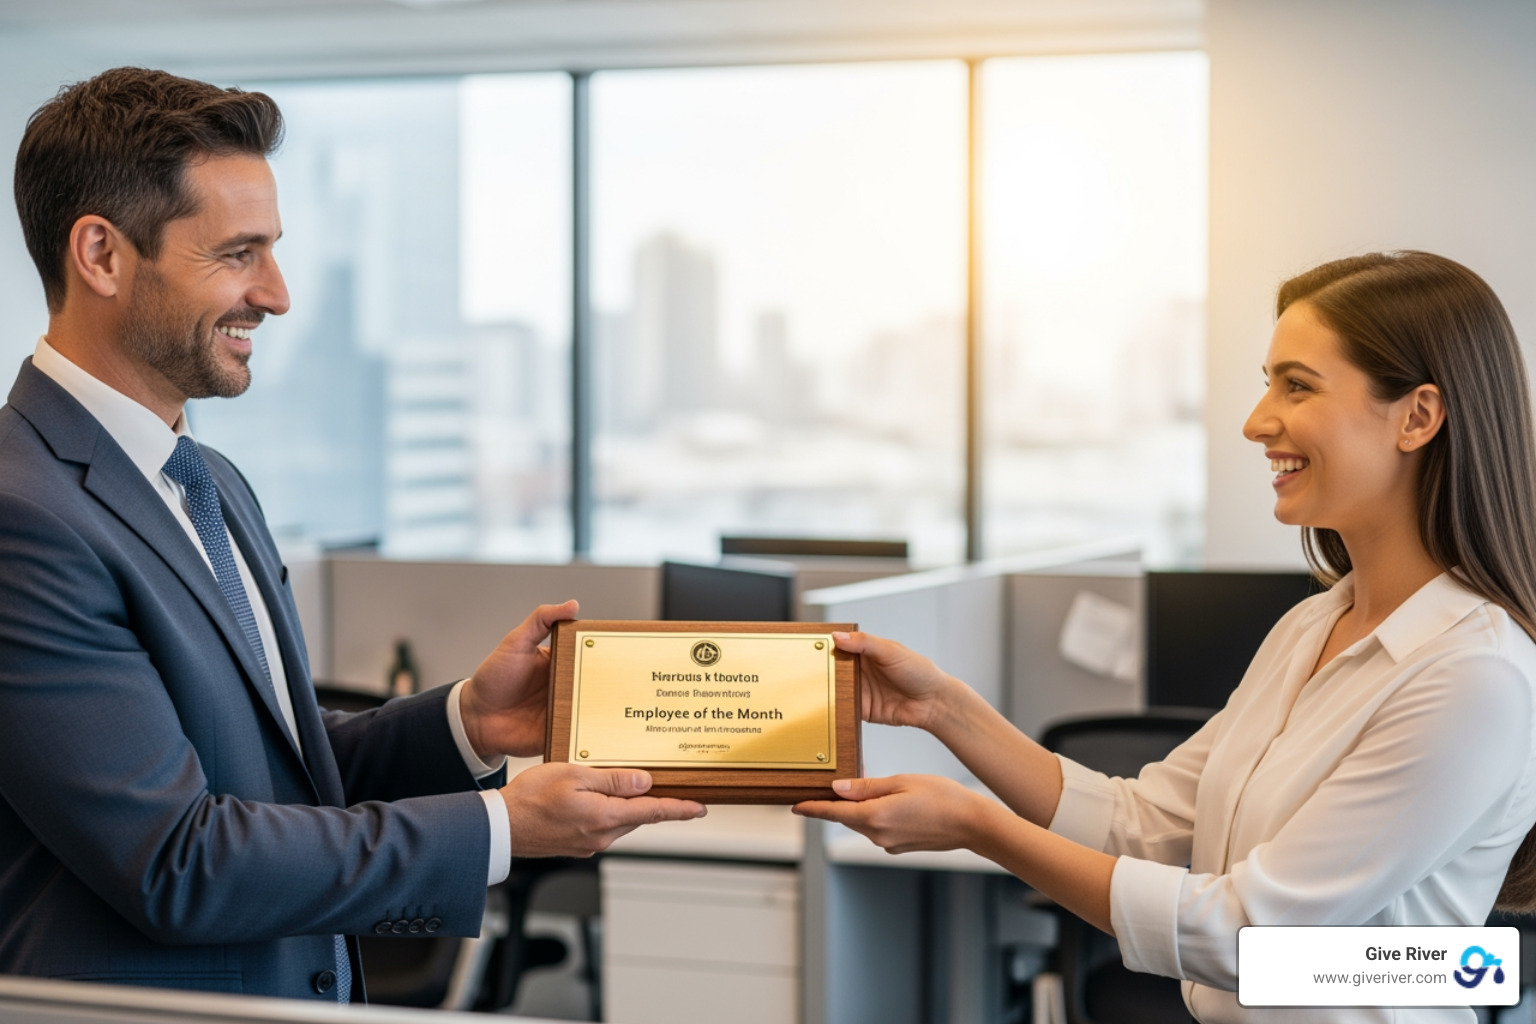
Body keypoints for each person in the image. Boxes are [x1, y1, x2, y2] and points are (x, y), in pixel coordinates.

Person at [0, 67, 705, 1002]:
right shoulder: (24, 515)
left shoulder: (208, 482)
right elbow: (179, 861)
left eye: (274, 250)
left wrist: (466, 726)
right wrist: (500, 827)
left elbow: (271, 767)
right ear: (101, 254)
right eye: (238, 253)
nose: (279, 294)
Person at [796, 251, 1536, 1023]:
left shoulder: (1472, 675)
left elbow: (1251, 931)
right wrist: (942, 709)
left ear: (1417, 417)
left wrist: (981, 827)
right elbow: (1141, 824)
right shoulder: (1314, 625)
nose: (1257, 421)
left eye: (1297, 385)